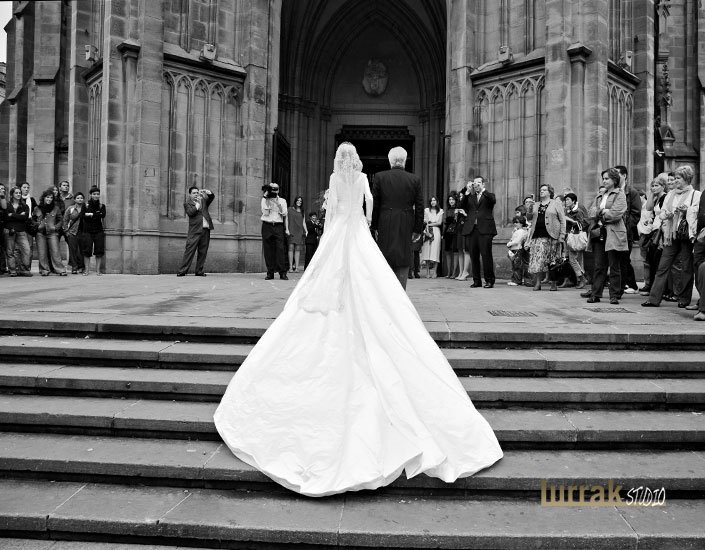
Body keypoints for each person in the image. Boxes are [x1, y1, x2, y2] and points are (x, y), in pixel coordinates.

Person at [214, 142, 503, 497]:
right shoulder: (365, 177)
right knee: (375, 283)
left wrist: (343, 222)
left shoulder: (336, 178)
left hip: (338, 234)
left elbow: (335, 209)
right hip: (359, 234)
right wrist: (365, 225)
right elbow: (367, 210)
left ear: (338, 160)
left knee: (327, 281)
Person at [642, 165, 701, 308]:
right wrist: (666, 214)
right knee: (663, 266)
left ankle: (684, 299)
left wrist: (687, 211)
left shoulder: (696, 194)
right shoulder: (670, 194)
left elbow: (697, 212)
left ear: (686, 178)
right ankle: (654, 298)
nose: (675, 181)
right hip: (670, 234)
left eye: (678, 178)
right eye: (675, 178)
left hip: (685, 234)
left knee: (686, 267)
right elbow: (661, 213)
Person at [370, 146, 424, 290]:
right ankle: (401, 291)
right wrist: (418, 229)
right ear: (404, 161)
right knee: (404, 255)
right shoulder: (414, 179)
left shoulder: (380, 177)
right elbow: (419, 206)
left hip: (385, 220)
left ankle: (387, 293)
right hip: (406, 221)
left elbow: (375, 204)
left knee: (385, 255)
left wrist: (374, 226)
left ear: (390, 161)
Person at [581, 168, 628, 304]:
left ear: (614, 179)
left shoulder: (620, 194)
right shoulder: (600, 195)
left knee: (614, 265)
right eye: (603, 178)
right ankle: (596, 294)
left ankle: (614, 295)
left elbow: (616, 214)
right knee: (599, 266)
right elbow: (590, 213)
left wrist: (600, 212)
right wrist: (603, 211)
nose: (604, 181)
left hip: (613, 233)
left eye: (607, 178)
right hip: (599, 233)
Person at [524, 184, 566, 291]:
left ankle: (553, 283)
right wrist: (529, 208)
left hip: (552, 235)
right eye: (540, 189)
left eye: (544, 190)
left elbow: (562, 220)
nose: (541, 191)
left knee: (553, 260)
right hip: (537, 235)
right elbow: (529, 218)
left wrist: (562, 236)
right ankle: (538, 283)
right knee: (538, 260)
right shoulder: (536, 204)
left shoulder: (556, 204)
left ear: (549, 192)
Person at [459, 176, 497, 288]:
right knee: (473, 256)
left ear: (483, 184)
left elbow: (493, 200)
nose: (476, 185)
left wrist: (482, 190)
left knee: (486, 255)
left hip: (485, 230)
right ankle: (476, 281)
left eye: (479, 183)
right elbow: (461, 206)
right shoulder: (469, 197)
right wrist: (466, 192)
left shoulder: (489, 195)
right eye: (475, 183)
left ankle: (489, 280)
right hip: (472, 229)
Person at [637, 174, 668, 295]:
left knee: (656, 260)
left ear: (663, 186)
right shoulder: (656, 198)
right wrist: (651, 193)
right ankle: (652, 287)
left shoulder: (665, 197)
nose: (654, 188)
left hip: (660, 232)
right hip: (654, 230)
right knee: (651, 260)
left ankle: (658, 289)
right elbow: (649, 208)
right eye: (652, 186)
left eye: (657, 186)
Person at [176, 186, 214, 277]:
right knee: (189, 251)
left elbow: (211, 197)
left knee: (203, 252)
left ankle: (199, 271)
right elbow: (190, 213)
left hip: (205, 230)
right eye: (194, 193)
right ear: (190, 194)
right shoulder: (187, 204)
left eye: (197, 192)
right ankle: (182, 271)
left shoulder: (204, 201)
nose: (196, 194)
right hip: (194, 231)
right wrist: (197, 205)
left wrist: (208, 191)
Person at [33, 189, 67, 276]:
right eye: (47, 197)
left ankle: (60, 269)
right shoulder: (37, 208)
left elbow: (60, 220)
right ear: (44, 198)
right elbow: (33, 220)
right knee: (42, 253)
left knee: (55, 251)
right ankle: (44, 270)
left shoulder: (56, 208)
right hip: (40, 233)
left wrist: (56, 227)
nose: (49, 199)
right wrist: (38, 225)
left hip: (52, 233)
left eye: (51, 197)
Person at [261, 182, 289, 280]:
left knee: (280, 249)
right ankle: (270, 272)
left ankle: (282, 272)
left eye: (276, 189)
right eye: (272, 189)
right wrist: (266, 198)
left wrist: (277, 204)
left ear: (278, 190)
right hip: (267, 225)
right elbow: (265, 212)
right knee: (268, 250)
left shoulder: (282, 200)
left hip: (278, 226)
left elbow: (284, 212)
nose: (274, 191)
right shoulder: (264, 200)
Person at [3, 186, 32, 277]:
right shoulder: (7, 205)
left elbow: (25, 218)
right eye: (16, 193)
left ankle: (23, 269)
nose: (19, 194)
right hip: (9, 230)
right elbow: (5, 217)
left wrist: (12, 215)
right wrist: (18, 216)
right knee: (10, 251)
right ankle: (12, 270)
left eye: (19, 193)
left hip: (21, 231)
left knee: (27, 250)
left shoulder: (24, 206)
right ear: (12, 194)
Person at [563, 192, 588, 289]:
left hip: (576, 237)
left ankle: (582, 278)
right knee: (576, 260)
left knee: (574, 259)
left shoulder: (578, 211)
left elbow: (582, 224)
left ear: (573, 201)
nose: (566, 202)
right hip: (570, 237)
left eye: (568, 200)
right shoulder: (567, 211)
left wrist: (571, 221)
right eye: (565, 200)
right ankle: (580, 279)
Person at [80, 186, 107, 276]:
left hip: (98, 230)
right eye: (94, 194)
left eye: (98, 194)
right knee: (87, 250)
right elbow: (82, 216)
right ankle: (86, 270)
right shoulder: (85, 205)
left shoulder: (101, 206)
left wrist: (91, 214)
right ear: (90, 195)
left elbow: (102, 215)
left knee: (99, 250)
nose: (96, 196)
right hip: (87, 230)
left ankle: (98, 271)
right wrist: (96, 214)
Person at [689, 189, 705, 321]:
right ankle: (702, 300)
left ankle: (703, 309)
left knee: (703, 268)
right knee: (698, 266)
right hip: (702, 235)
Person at [63, 191, 86, 274]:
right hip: (72, 232)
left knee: (82, 251)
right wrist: (66, 231)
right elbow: (65, 220)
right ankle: (74, 267)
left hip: (83, 232)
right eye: (78, 198)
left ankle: (82, 266)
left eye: (81, 198)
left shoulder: (86, 208)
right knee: (73, 250)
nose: (80, 199)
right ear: (75, 200)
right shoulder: (70, 208)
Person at [420, 197, 443, 278]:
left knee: (435, 251)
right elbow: (425, 221)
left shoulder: (440, 211)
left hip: (436, 231)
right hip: (428, 231)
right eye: (431, 200)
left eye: (434, 200)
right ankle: (427, 272)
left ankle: (435, 272)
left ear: (437, 201)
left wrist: (430, 224)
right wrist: (426, 231)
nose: (433, 202)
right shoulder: (426, 210)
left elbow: (439, 223)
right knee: (427, 251)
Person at [506, 215, 529, 286]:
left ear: (521, 223)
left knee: (517, 266)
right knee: (516, 265)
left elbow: (517, 240)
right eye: (514, 222)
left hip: (517, 249)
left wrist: (509, 243)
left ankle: (516, 281)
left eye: (517, 222)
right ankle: (517, 279)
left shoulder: (521, 231)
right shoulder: (519, 231)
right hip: (515, 249)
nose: (515, 224)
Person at [287, 196, 307, 272]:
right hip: (291, 230)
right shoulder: (289, 209)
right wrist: (287, 229)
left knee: (297, 249)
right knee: (291, 248)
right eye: (298, 200)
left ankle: (297, 267)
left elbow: (303, 222)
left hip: (299, 231)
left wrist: (306, 230)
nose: (299, 202)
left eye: (301, 201)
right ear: (295, 201)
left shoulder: (302, 211)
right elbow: (286, 220)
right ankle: (290, 267)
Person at [443, 193, 460, 278]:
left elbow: (456, 221)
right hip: (447, 232)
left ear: (455, 200)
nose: (451, 201)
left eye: (452, 199)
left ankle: (454, 273)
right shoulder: (448, 209)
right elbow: (445, 223)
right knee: (447, 252)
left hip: (455, 232)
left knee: (455, 252)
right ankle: (449, 272)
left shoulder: (457, 209)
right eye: (449, 200)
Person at [0, 184, 6, 274]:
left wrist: (2, 195)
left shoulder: (2, 197)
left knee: (1, 247)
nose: (2, 190)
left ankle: (2, 268)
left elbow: (4, 207)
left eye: (3, 189)